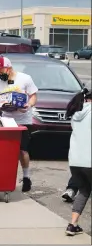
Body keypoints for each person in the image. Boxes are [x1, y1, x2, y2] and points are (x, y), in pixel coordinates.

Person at [0, 56, 38, 192]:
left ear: (9, 68)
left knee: (22, 150)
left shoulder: (25, 79)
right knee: (6, 150)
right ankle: (4, 178)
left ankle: (26, 177)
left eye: (0, 70)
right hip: (6, 119)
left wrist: (28, 105)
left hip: (23, 120)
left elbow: (34, 96)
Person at [65, 88, 91, 236]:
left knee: (84, 191)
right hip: (90, 160)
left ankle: (72, 225)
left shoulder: (76, 113)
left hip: (75, 161)